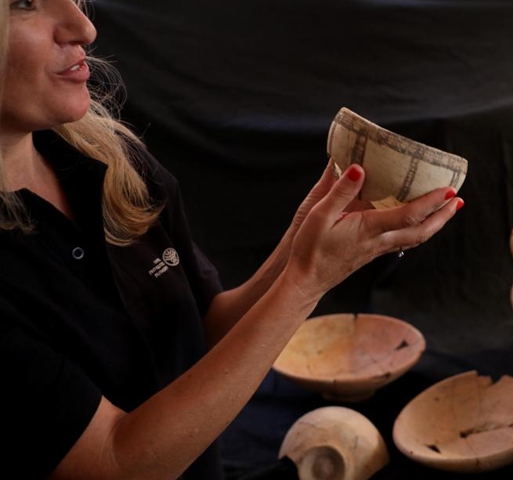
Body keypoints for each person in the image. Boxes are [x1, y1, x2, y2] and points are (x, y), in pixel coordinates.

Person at [0, 1, 464, 479]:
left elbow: (201, 335)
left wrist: (299, 246)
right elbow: (115, 464)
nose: (84, 27)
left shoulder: (113, 163)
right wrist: (306, 282)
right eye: (25, 4)